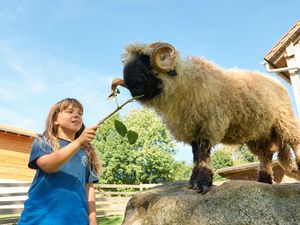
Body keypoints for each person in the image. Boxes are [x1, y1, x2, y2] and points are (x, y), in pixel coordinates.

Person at [18, 98, 101, 225]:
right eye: (70, 111)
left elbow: (88, 187)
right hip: (40, 219)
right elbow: (48, 166)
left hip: (76, 220)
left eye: (80, 113)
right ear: (55, 119)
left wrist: (93, 220)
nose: (76, 115)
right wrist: (79, 142)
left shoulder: (87, 151)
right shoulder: (44, 142)